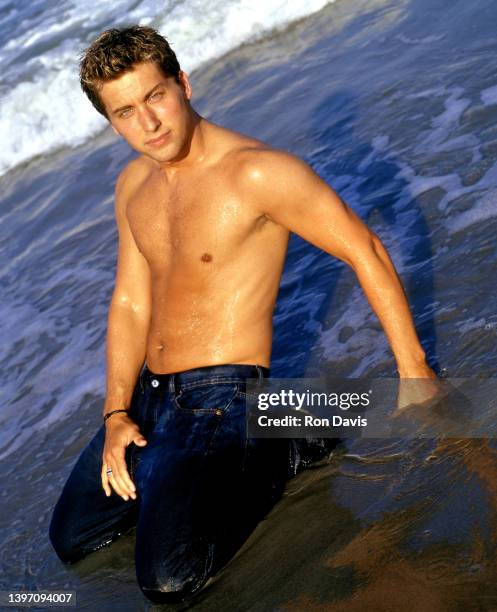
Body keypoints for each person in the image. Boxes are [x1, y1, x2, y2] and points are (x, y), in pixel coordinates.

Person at [49, 25, 437, 603]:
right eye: (125, 112)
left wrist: (415, 373)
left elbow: (365, 250)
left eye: (155, 97)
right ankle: (290, 424)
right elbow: (129, 302)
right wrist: (115, 413)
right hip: (151, 398)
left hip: (222, 395)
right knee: (74, 537)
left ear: (182, 83)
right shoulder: (133, 184)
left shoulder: (257, 172)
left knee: (168, 580)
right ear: (111, 121)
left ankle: (283, 435)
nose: (148, 124)